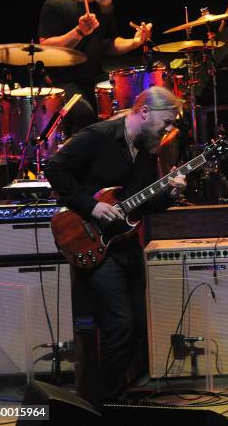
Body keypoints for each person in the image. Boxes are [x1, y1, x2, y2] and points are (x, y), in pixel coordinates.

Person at [44, 87, 186, 406]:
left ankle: (117, 396)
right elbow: (54, 168)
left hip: (123, 242)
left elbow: (140, 205)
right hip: (89, 238)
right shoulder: (99, 135)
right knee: (118, 325)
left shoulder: (149, 148)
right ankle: (111, 404)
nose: (168, 129)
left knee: (136, 325)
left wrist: (171, 194)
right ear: (145, 112)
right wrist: (91, 207)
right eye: (165, 121)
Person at [38, 0, 152, 133]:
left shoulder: (101, 5)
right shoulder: (55, 4)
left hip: (94, 77)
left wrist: (135, 42)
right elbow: (46, 48)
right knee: (84, 112)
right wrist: (79, 32)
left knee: (133, 99)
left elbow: (108, 43)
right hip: (63, 82)